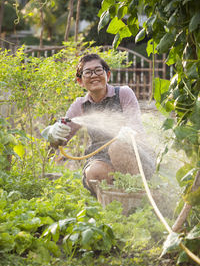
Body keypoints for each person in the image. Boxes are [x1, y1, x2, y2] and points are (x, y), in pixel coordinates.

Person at [42, 53, 156, 197]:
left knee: (118, 148)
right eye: (88, 72)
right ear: (80, 81)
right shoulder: (80, 105)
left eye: (98, 70)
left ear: (107, 75)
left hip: (134, 153)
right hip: (101, 156)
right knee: (95, 173)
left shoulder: (123, 94)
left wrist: (129, 133)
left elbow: (137, 129)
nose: (94, 75)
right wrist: (53, 134)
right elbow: (60, 141)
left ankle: (139, 197)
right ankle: (112, 204)